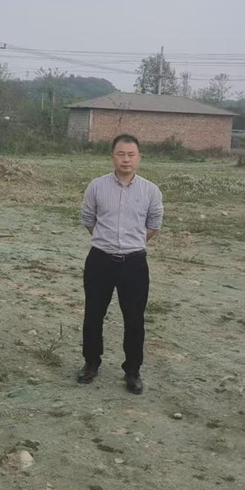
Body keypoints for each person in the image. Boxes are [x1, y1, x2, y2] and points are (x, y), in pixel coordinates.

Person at [77, 134, 163, 395]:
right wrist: (107, 241)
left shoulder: (150, 190)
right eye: (121, 154)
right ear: (112, 156)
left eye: (131, 154)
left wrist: (131, 243)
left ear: (139, 157)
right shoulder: (96, 186)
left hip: (134, 263)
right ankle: (91, 363)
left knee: (134, 319)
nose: (126, 159)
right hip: (100, 260)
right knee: (93, 315)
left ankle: (132, 371)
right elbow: (88, 219)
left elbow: (153, 225)